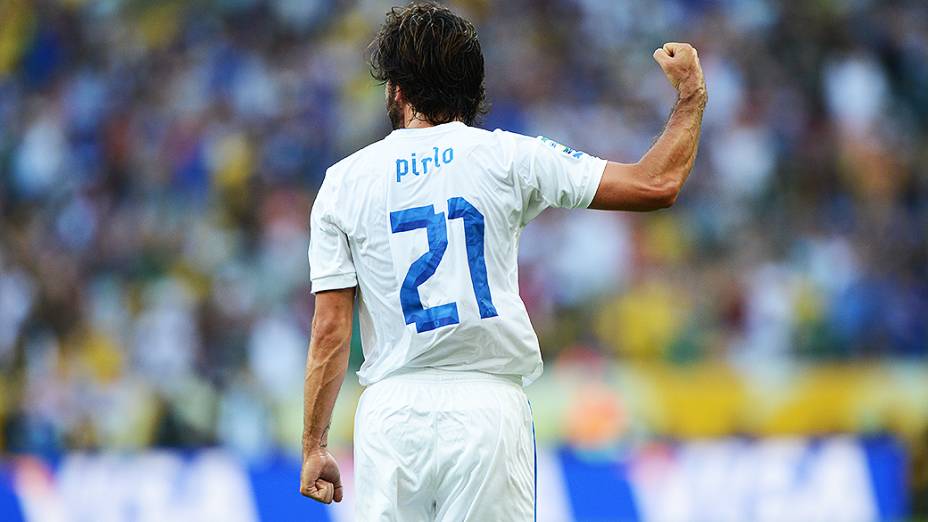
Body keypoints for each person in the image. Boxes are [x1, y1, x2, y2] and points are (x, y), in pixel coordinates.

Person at [299, 2, 706, 520]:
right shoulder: (508, 157)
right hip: (486, 409)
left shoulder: (343, 182)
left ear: (396, 91)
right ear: (472, 92)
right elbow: (655, 184)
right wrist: (691, 96)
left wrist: (314, 444)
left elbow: (330, 330)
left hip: (391, 413)